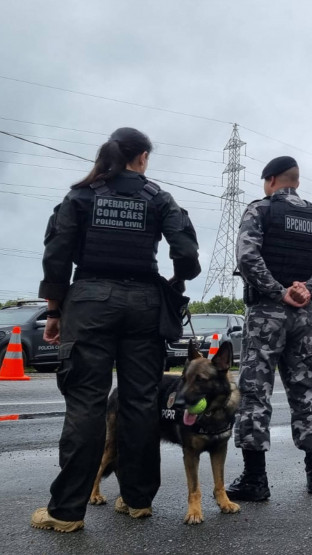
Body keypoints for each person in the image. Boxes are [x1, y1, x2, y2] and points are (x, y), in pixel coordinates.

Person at [32, 128, 201, 532]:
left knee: (86, 404)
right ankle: (137, 500)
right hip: (144, 304)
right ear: (141, 157)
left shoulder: (82, 195)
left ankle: (67, 512)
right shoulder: (159, 198)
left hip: (89, 302)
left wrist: (54, 310)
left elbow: (56, 255)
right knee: (141, 402)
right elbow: (189, 255)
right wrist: (174, 282)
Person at [229, 156, 312, 500]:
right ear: (296, 181)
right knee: (306, 392)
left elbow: (248, 257)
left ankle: (255, 479)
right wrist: (308, 289)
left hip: (266, 314)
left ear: (271, 179)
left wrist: (280, 292)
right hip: (305, 317)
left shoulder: (260, 210)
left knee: (254, 393)